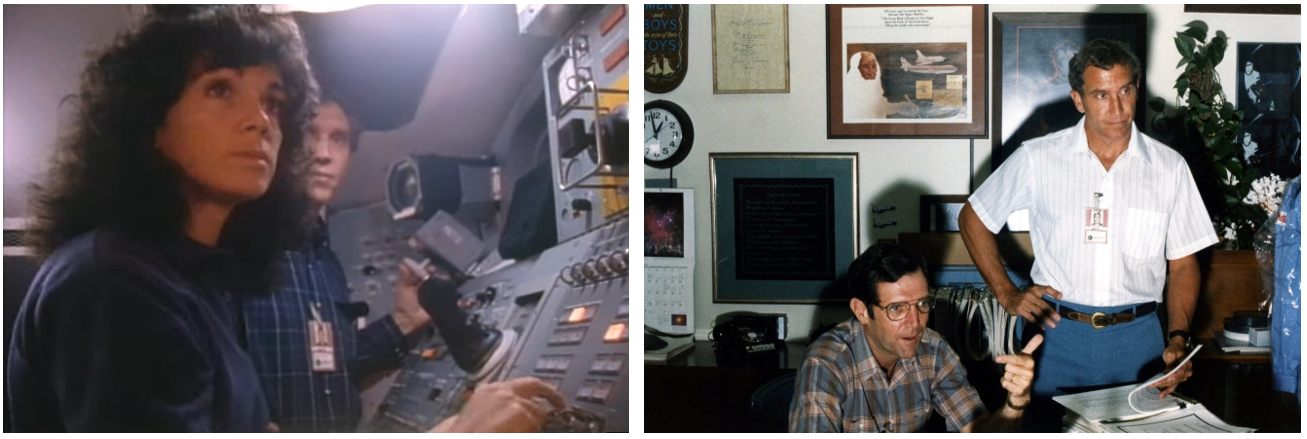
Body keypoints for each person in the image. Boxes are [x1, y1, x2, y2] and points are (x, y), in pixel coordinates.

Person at [7, 5, 319, 431]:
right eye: (221, 89)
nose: (260, 121)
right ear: (151, 120)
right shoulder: (115, 282)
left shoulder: (190, 278)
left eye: (274, 101)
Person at [243, 94, 564, 433]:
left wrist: (404, 320)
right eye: (309, 134)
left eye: (338, 139)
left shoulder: (323, 261)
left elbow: (331, 372)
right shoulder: (241, 252)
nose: (323, 154)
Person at [958, 38, 1217, 430]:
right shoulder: (1038, 157)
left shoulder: (1169, 168)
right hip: (1057, 340)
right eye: (1101, 95)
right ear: (1078, 99)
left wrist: (1178, 338)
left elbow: (1182, 264)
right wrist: (1007, 293)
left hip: (1139, 343)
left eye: (1125, 90)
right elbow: (973, 217)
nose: (1117, 108)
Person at [789, 243, 1043, 433]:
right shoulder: (826, 363)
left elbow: (978, 432)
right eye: (897, 309)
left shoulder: (934, 351)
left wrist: (1016, 401)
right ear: (861, 311)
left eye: (922, 303)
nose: (916, 322)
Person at [844, 51, 891, 120]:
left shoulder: (877, 91)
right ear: (856, 68)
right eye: (865, 66)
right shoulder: (847, 93)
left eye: (874, 66)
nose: (871, 71)